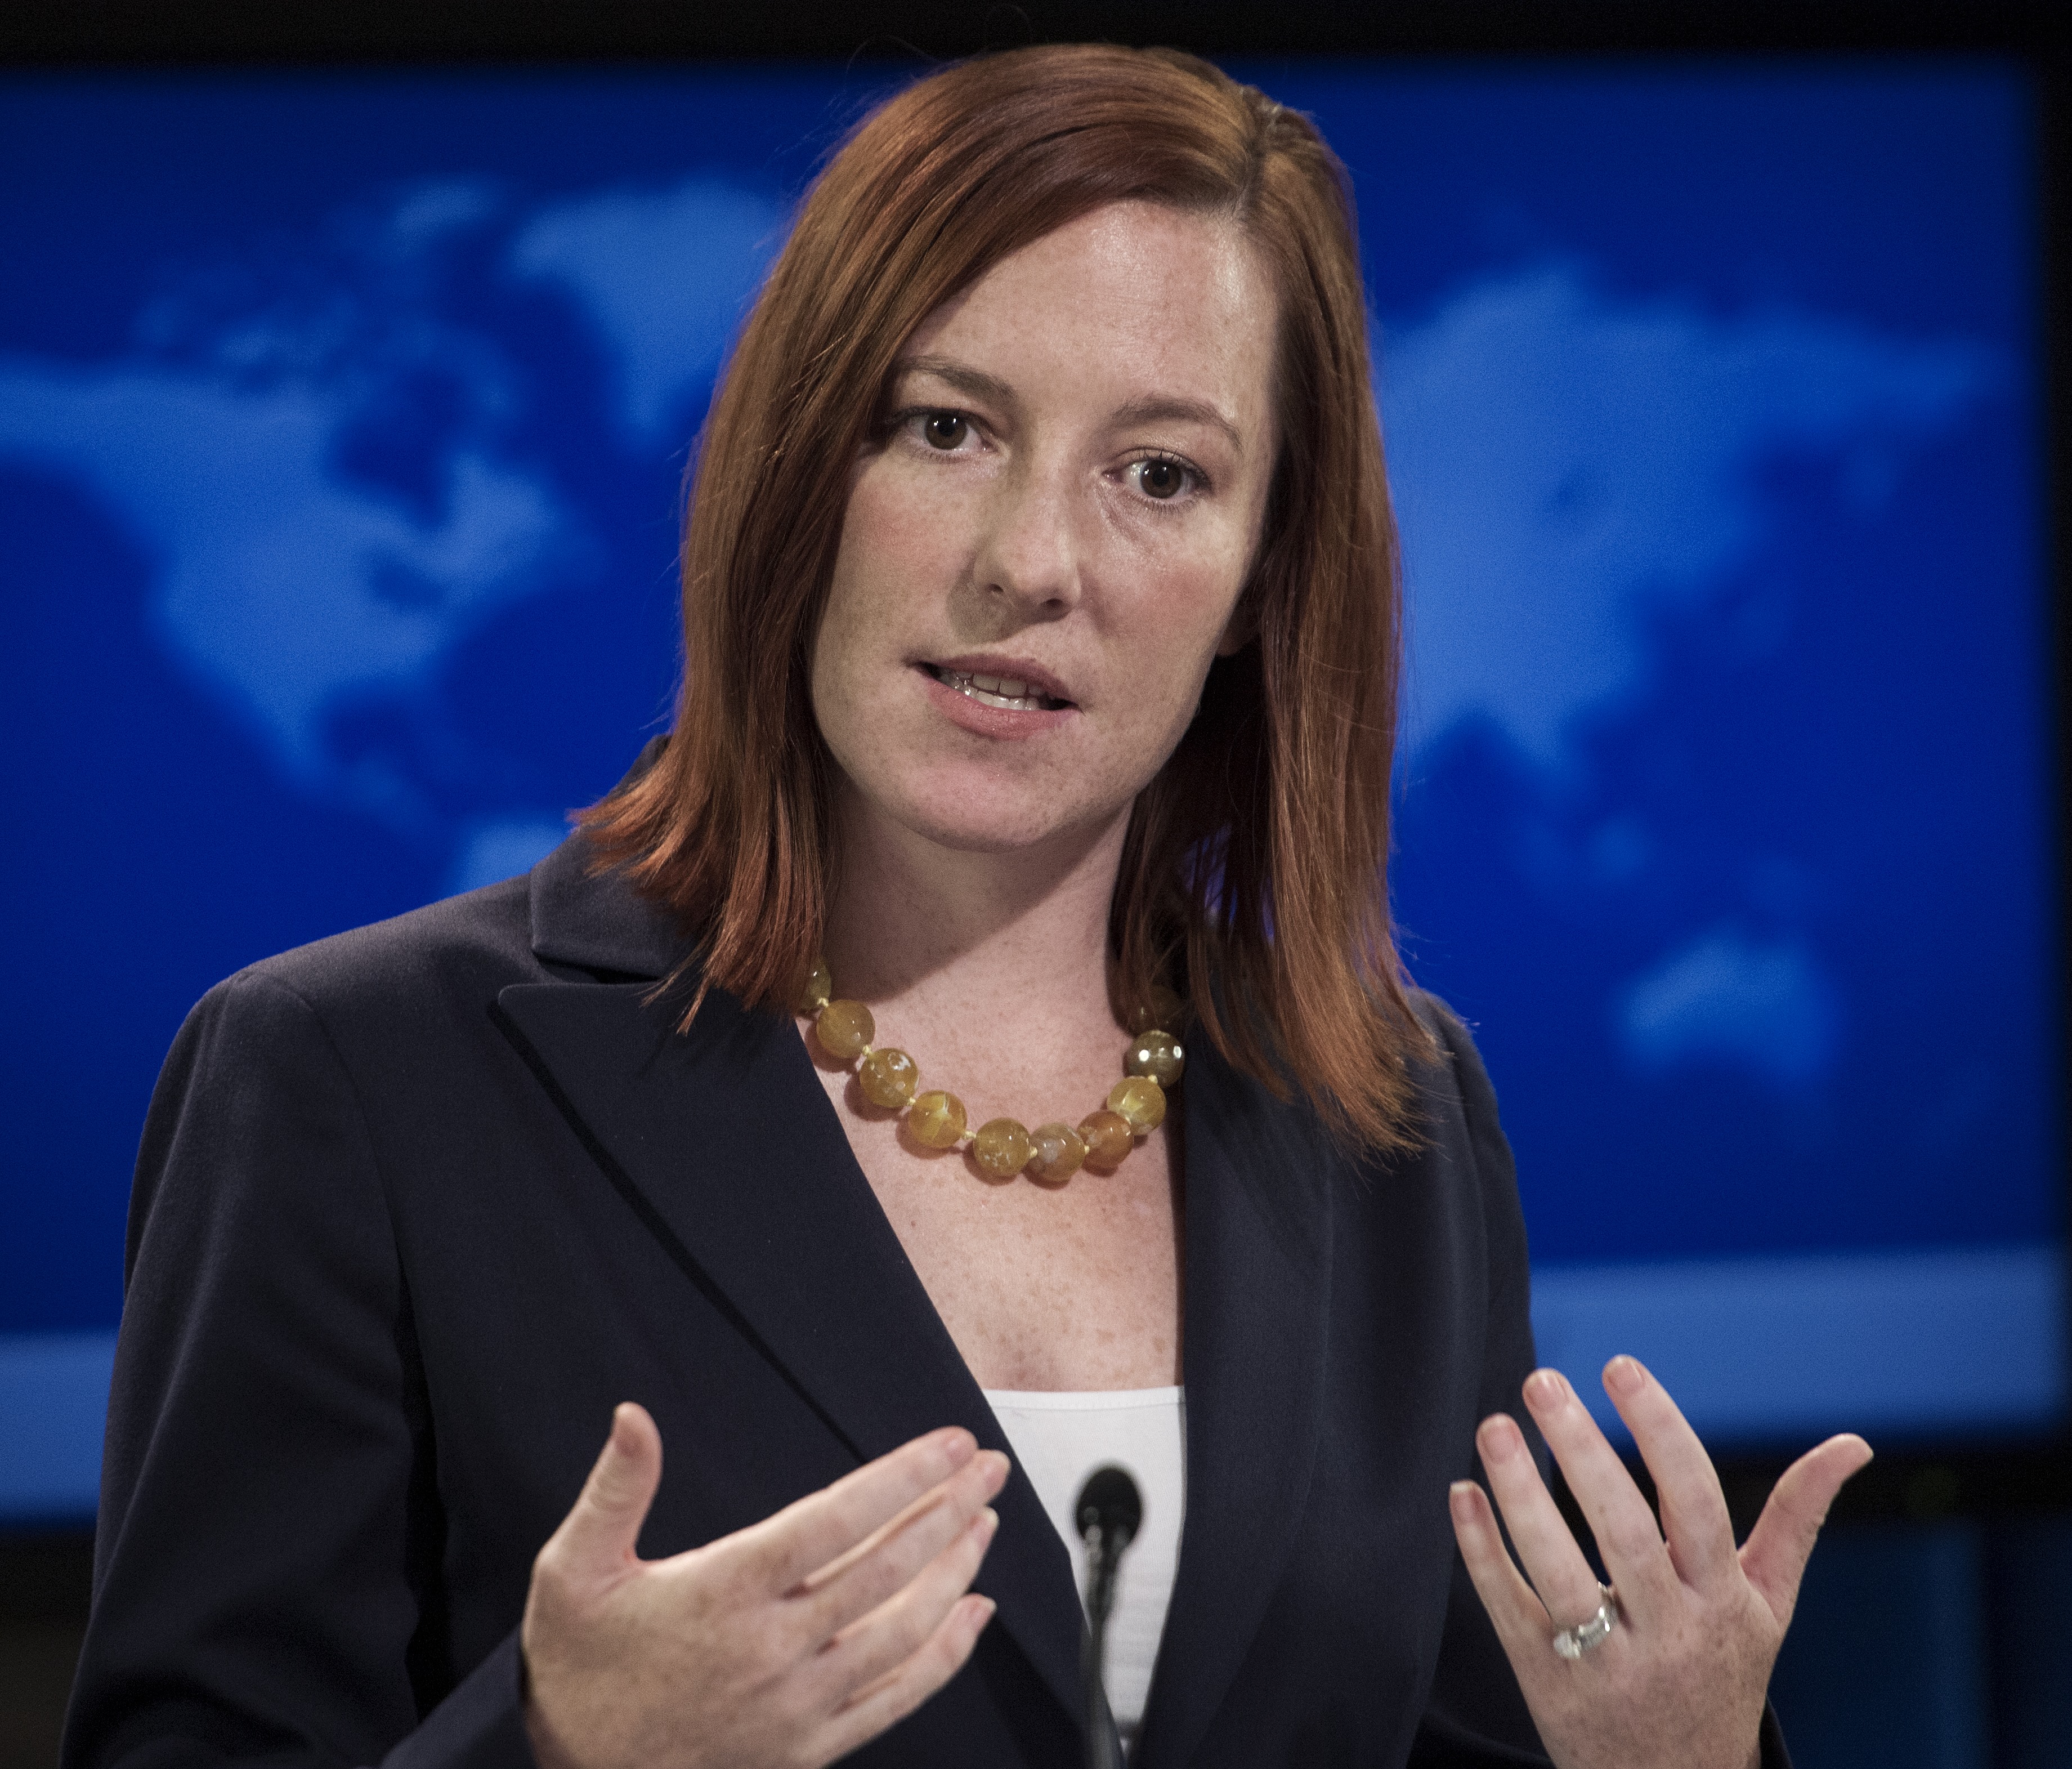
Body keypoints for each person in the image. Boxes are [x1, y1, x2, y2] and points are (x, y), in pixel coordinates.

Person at [63, 42, 1870, 1769]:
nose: (1030, 562)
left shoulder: (1391, 1115)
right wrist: (550, 1750)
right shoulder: (350, 1079)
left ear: (1259, 575)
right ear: (800, 473)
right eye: (944, 429)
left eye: (1159, 474)